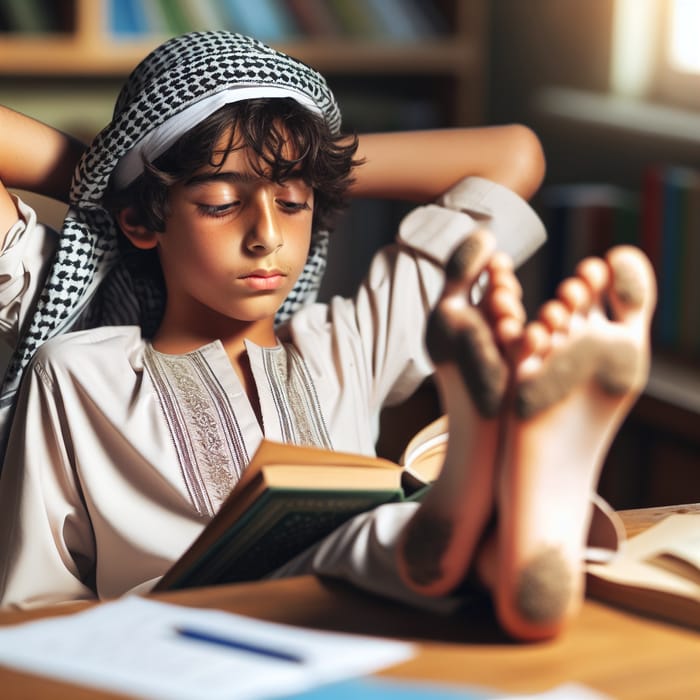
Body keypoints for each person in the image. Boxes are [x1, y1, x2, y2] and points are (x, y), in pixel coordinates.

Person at [0, 30, 653, 642]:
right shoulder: (81, 370)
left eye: (291, 202)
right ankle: (479, 491)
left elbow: (515, 155)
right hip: (182, 638)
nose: (267, 238)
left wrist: (300, 159)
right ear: (143, 221)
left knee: (390, 536)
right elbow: (36, 604)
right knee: (366, 539)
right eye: (222, 204)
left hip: (355, 629)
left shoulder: (341, 344)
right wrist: (124, 177)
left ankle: (493, 518)